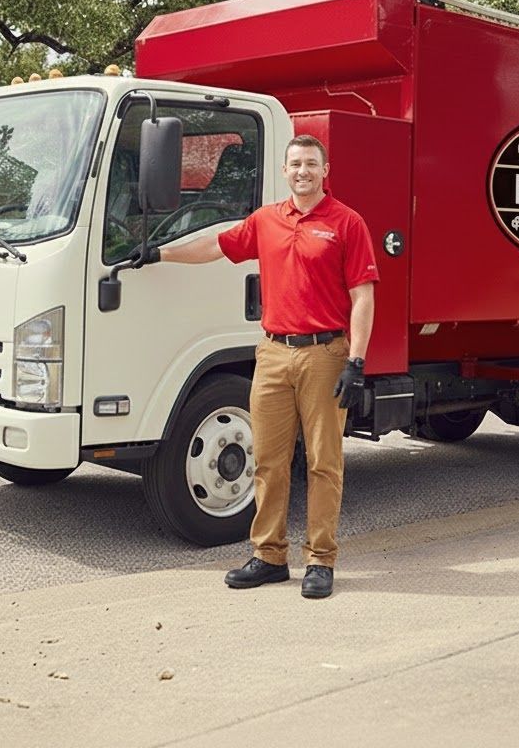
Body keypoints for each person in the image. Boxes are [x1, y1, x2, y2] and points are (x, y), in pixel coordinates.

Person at [130, 134, 378, 599]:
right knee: (267, 460)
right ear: (284, 171)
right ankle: (269, 556)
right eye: (295, 164)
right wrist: (160, 253)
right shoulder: (267, 220)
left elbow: (363, 295)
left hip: (325, 354)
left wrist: (357, 362)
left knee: (324, 462)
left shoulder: (347, 223)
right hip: (271, 353)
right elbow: (214, 246)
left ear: (326, 172)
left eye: (311, 164)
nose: (302, 171)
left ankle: (320, 560)